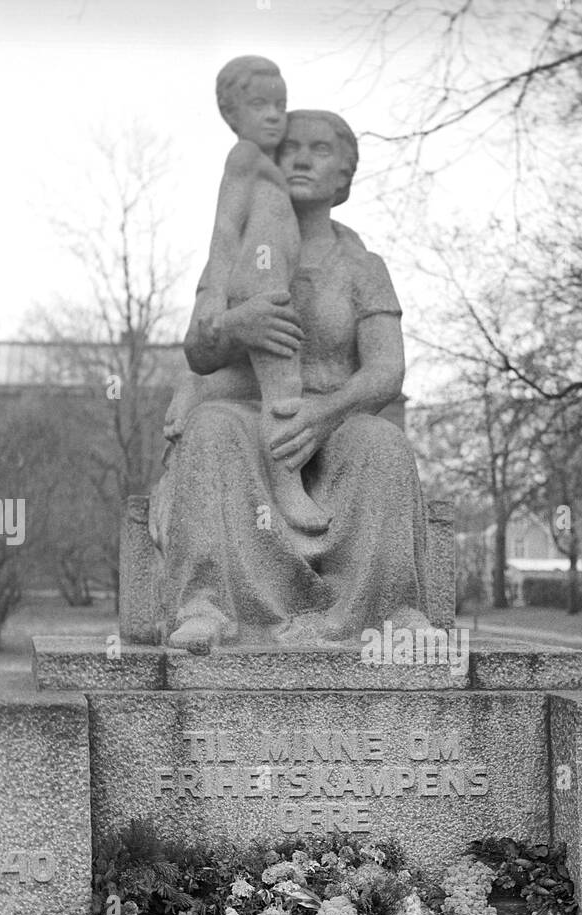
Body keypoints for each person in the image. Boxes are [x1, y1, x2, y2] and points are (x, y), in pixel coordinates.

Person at [152, 108, 431, 650]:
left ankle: (390, 613)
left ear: (345, 176)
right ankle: (206, 607)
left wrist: (323, 417)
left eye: (320, 150)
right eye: (289, 148)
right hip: (248, 412)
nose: (301, 158)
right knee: (211, 432)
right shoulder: (236, 254)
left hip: (336, 417)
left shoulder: (362, 266)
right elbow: (200, 350)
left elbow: (386, 371)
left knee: (385, 447)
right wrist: (237, 324)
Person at [163, 55, 329, 533]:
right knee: (284, 384)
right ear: (232, 114)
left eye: (281, 104)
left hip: (270, 278)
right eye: (260, 105)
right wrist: (213, 299)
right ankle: (286, 481)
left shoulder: (271, 164)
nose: (275, 114)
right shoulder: (244, 158)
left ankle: (198, 387)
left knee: (260, 385)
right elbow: (224, 232)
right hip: (258, 283)